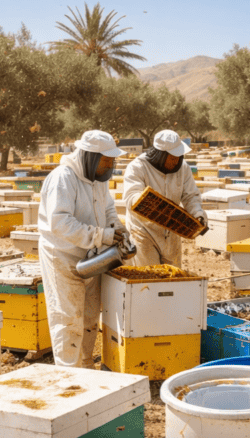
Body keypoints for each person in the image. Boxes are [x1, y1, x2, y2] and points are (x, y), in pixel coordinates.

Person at [38, 130, 127, 368]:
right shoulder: (63, 178)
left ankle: (86, 369)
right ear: (90, 157)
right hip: (64, 258)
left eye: (112, 161)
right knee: (68, 320)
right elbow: (60, 223)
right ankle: (69, 377)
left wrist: (118, 229)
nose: (110, 166)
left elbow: (108, 209)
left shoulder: (99, 179)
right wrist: (102, 236)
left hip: (93, 257)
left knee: (89, 317)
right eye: (106, 161)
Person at [123, 130, 206, 268]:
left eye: (179, 156)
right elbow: (131, 197)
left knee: (171, 282)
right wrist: (148, 203)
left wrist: (198, 215)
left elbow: (191, 196)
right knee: (150, 278)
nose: (176, 161)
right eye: (172, 157)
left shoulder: (183, 168)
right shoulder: (137, 167)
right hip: (143, 232)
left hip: (172, 232)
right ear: (160, 155)